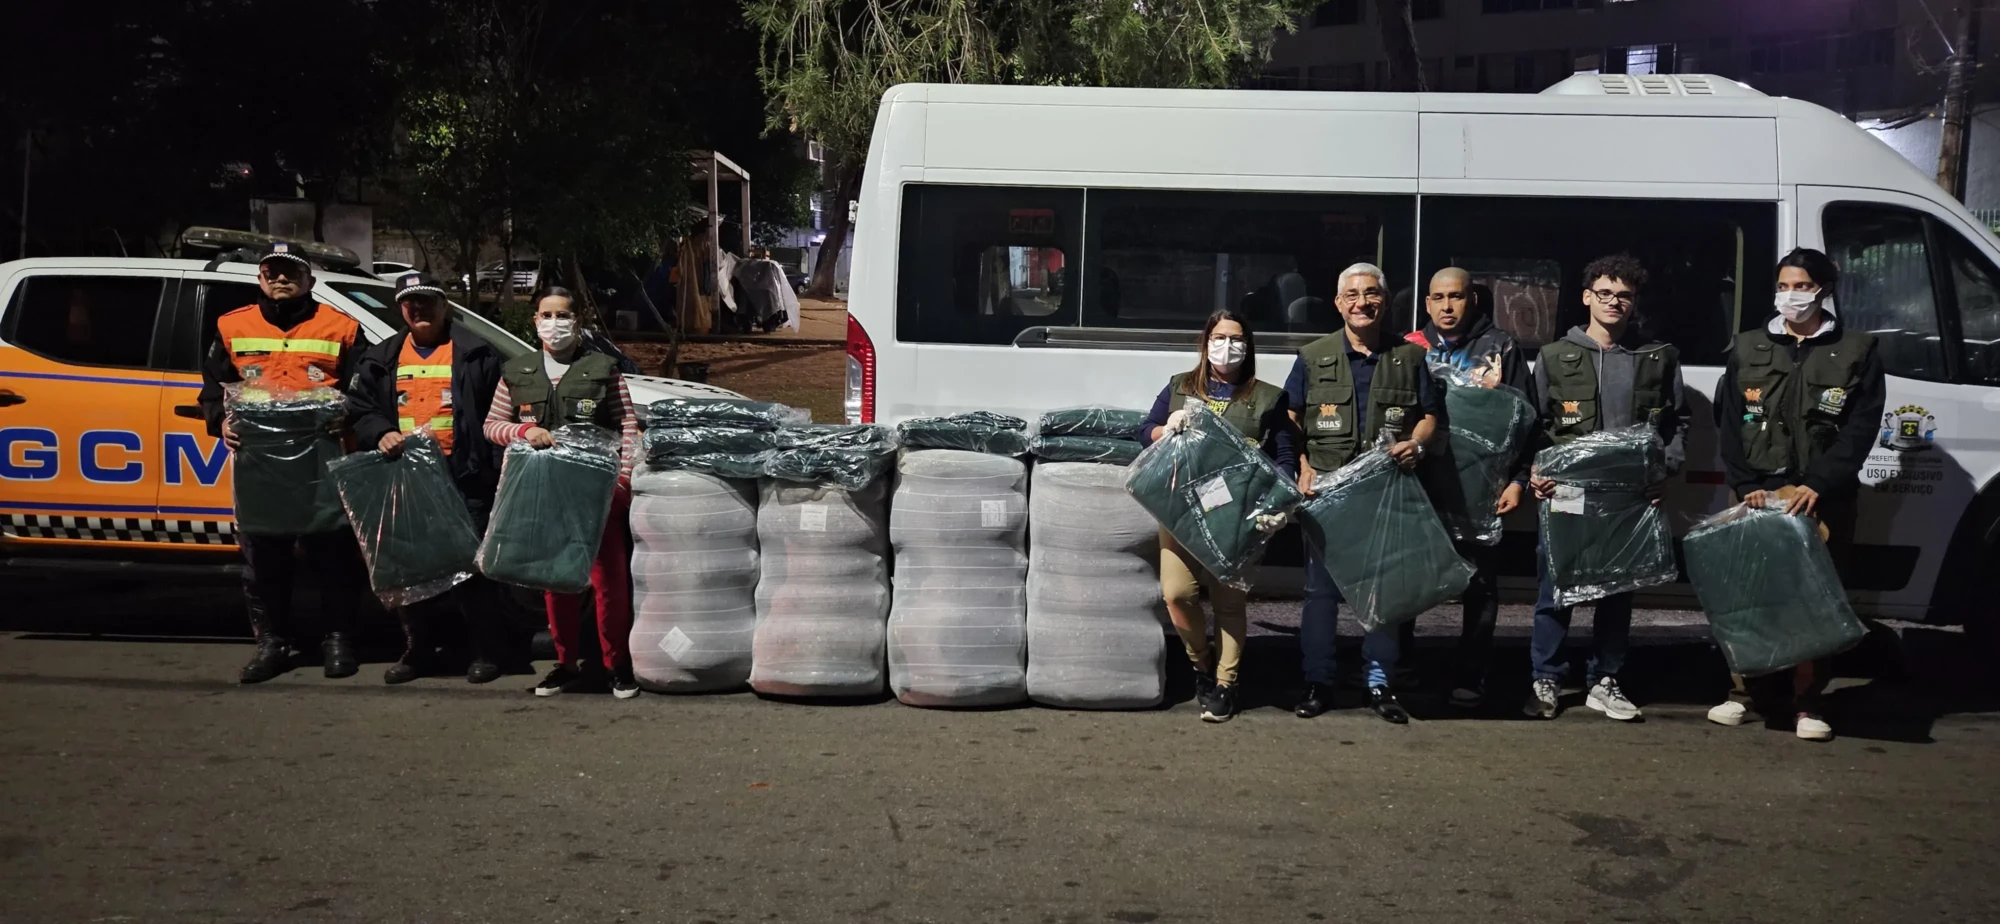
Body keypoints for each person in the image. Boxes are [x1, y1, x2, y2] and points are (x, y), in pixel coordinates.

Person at [1708, 248, 1885, 741]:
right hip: (1757, 493)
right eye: (1784, 285)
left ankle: (1808, 703)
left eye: (1802, 286)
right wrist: (1745, 485)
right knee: (1750, 595)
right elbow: (1729, 422)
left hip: (1821, 497)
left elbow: (1861, 427)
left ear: (1824, 289)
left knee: (1815, 602)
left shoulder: (1857, 349)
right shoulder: (1748, 346)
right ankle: (1744, 693)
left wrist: (1818, 484)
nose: (1792, 295)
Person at [1525, 254, 1690, 722]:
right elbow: (1535, 424)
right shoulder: (1555, 356)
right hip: (1569, 492)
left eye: (1624, 296)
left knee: (1618, 589)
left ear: (1634, 302)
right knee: (1557, 584)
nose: (1614, 302)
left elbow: (1678, 421)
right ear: (1587, 297)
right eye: (1605, 293)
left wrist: (1664, 470)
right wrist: (1536, 471)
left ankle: (1605, 680)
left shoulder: (1657, 356)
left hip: (1628, 496)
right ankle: (1546, 678)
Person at [198, 242, 370, 684]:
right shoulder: (232, 325)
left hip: (322, 461)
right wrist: (219, 422)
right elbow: (213, 387)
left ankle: (338, 640)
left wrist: (349, 414)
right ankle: (272, 643)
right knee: (264, 558)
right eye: (271, 272)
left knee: (334, 555)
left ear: (309, 279)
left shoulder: (342, 326)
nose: (280, 279)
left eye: (290, 272)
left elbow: (364, 386)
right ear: (260, 278)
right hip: (260, 465)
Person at [1289, 263, 1444, 725]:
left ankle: (1379, 683)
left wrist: (1417, 444)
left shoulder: (1410, 357)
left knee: (1382, 591)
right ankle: (1318, 682)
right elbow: (1291, 418)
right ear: (1339, 303)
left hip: (1386, 493)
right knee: (1320, 594)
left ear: (1386, 301)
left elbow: (1431, 416)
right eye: (1352, 294)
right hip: (1327, 495)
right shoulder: (1312, 356)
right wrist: (1302, 466)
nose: (1362, 302)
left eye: (1372, 293)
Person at [345, 272, 512, 684]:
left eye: (427, 301)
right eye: (410, 302)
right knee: (411, 568)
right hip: (405, 478)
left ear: (444, 305)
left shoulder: (477, 354)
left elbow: (497, 413)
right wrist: (380, 432)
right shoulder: (380, 359)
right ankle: (418, 649)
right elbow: (360, 408)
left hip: (464, 477)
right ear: (401, 309)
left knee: (472, 567)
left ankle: (484, 650)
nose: (418, 309)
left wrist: (495, 476)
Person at [1134, 308, 1295, 723]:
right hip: (1181, 510)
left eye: (1236, 339)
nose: (1227, 346)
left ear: (1249, 346)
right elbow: (1145, 431)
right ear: (1205, 344)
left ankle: (1226, 682)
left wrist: (1278, 506)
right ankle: (1201, 662)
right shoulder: (1180, 387)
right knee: (1177, 594)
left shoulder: (1269, 397)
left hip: (1236, 516)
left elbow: (1284, 457)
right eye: (1219, 338)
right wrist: (1165, 427)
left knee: (1229, 601)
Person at [483, 287, 642, 699]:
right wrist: (524, 430)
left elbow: (628, 426)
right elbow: (492, 426)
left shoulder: (603, 368)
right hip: (541, 494)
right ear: (535, 321)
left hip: (595, 496)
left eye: (563, 315)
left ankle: (616, 664)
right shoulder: (517, 371)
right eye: (546, 315)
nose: (555, 323)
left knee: (608, 583)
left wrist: (623, 481)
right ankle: (566, 663)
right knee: (555, 580)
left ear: (578, 320)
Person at [1407, 267, 1537, 709]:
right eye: (1439, 298)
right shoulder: (1411, 347)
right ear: (1427, 303)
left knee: (1479, 586)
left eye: (1456, 297)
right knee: (1409, 578)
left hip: (1479, 492)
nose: (1447, 306)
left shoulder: (1501, 347)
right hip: (1420, 487)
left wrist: (1519, 480)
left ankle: (1471, 675)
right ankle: (1401, 666)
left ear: (1472, 300)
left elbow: (1526, 421)